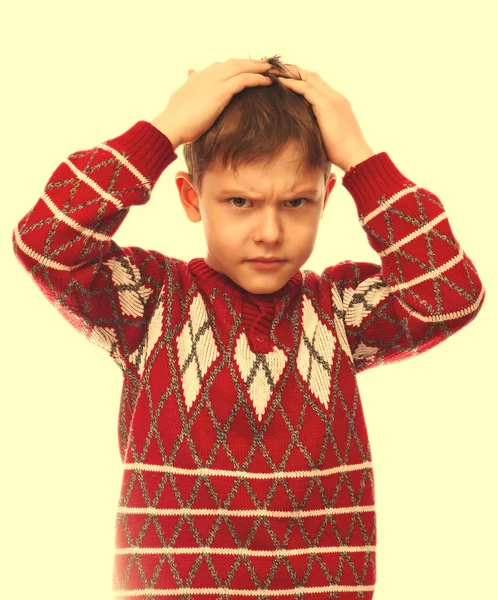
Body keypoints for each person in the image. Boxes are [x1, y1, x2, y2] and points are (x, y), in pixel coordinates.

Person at [11, 55, 486, 599]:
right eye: (240, 201)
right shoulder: (147, 301)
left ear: (326, 197)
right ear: (193, 198)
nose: (269, 231)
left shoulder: (339, 309)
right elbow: (47, 241)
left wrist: (361, 160)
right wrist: (162, 132)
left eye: (296, 202)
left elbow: (450, 296)